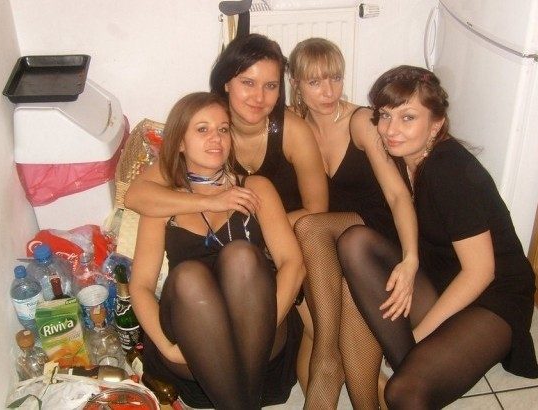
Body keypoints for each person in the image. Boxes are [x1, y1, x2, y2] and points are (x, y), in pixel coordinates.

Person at [124, 33, 328, 390]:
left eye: (270, 86)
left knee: (243, 258)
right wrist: (211, 202)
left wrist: (264, 228)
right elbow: (136, 204)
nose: (259, 97)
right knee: (190, 277)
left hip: (260, 298)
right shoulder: (168, 194)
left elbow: (304, 239)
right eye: (248, 82)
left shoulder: (270, 166)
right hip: (195, 325)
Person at [338, 65, 538, 409]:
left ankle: (409, 361)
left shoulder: (449, 170)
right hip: (441, 275)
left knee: (404, 392)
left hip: (493, 294)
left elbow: (480, 272)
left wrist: (419, 336)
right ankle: (408, 362)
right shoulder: (402, 157)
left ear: (435, 124)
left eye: (408, 118)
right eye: (385, 115)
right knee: (355, 241)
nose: (390, 130)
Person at [129, 92, 306, 409]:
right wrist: (167, 348)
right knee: (188, 277)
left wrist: (264, 325)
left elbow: (293, 264)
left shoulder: (255, 188)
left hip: (259, 334)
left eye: (223, 129)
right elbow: (140, 285)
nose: (216, 138)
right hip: (194, 340)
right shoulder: (163, 203)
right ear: (180, 143)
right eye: (202, 129)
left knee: (242, 257)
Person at [288, 38, 419, 409]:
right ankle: (350, 385)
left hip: (376, 234)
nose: (329, 92)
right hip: (335, 244)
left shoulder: (360, 121)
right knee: (340, 295)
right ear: (296, 83)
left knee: (309, 227)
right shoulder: (294, 125)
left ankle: (327, 355)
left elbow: (398, 195)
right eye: (315, 82)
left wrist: (411, 258)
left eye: (335, 78)